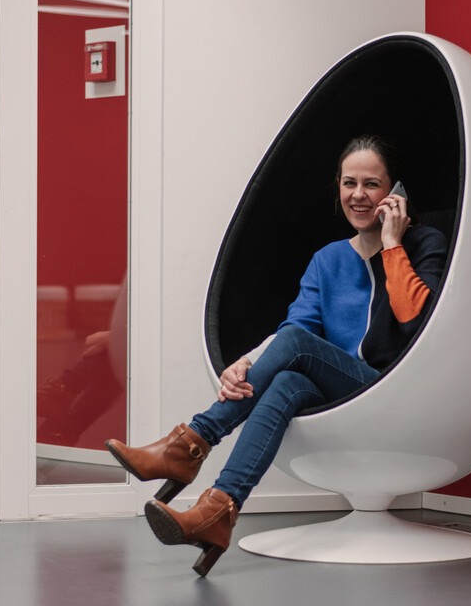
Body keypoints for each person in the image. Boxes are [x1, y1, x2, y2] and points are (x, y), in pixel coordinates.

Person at [105, 135, 448, 576]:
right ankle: (217, 511)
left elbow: (414, 320)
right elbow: (296, 329)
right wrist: (247, 361)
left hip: (392, 391)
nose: (358, 195)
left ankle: (190, 444)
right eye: (349, 183)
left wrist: (393, 244)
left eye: (372, 184)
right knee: (287, 381)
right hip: (344, 394)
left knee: (297, 350)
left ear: (394, 193)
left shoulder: (424, 243)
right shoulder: (327, 260)